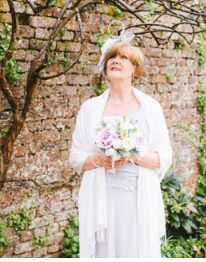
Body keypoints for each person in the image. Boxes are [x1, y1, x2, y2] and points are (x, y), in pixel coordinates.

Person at [69, 31, 173, 258]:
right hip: (101, 196)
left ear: (135, 69)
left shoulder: (150, 108)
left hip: (137, 198)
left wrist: (133, 155)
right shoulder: (90, 108)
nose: (115, 61)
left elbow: (164, 157)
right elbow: (76, 157)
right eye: (111, 58)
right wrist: (99, 159)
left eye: (123, 58)